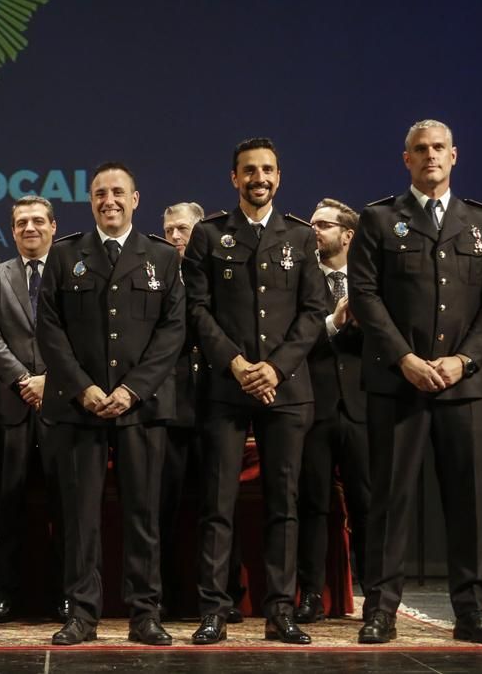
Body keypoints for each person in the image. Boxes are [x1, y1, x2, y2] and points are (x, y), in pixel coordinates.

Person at [348, 119, 482, 645]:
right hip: (398, 384)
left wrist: (464, 361)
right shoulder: (379, 219)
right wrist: (405, 359)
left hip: (462, 385)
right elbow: (365, 296)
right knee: (390, 501)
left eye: (439, 148)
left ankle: (471, 610)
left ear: (454, 156)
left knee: (467, 501)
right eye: (420, 149)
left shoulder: (481, 223)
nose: (430, 156)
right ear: (406, 159)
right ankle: (381, 610)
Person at [183, 138, 327, 646]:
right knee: (217, 503)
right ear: (234, 178)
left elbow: (314, 311)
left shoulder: (301, 236)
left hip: (286, 390)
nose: (258, 178)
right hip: (225, 386)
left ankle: (280, 611)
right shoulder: (208, 235)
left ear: (279, 177)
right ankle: (215, 610)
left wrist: (276, 368)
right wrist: (239, 364)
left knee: (283, 505)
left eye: (267, 170)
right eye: (249, 170)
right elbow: (197, 310)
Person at [38, 162, 185, 646]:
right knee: (81, 518)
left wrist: (132, 389)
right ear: (91, 200)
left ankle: (145, 613)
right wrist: (83, 387)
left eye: (118, 193)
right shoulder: (65, 256)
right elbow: (51, 330)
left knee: (143, 515)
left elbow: (171, 332)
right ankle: (82, 614)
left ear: (135, 199)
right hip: (80, 408)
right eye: (100, 193)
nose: (109, 201)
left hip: (141, 408)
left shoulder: (161, 257)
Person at [158, 202, 247, 623]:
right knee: (166, 509)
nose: (177, 237)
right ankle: (165, 594)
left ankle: (224, 595)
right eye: (170, 230)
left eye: (185, 229)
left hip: (215, 402)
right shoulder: (155, 273)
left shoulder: (218, 272)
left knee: (219, 505)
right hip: (171, 408)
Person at [0, 195, 66, 623]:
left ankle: (68, 595)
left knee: (66, 506)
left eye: (37, 221)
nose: (29, 228)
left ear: (53, 225)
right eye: (20, 223)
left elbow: (85, 333)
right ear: (12, 231)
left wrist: (52, 379)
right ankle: (6, 595)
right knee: (7, 509)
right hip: (12, 405)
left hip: (64, 404)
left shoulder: (73, 269)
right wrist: (22, 379)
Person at [295, 198, 369, 623]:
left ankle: (374, 594)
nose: (314, 231)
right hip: (315, 406)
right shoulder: (303, 282)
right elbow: (293, 341)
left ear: (347, 235)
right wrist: (333, 324)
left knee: (367, 505)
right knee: (313, 506)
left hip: (360, 407)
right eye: (311, 224)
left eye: (322, 224)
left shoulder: (369, 282)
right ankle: (310, 595)